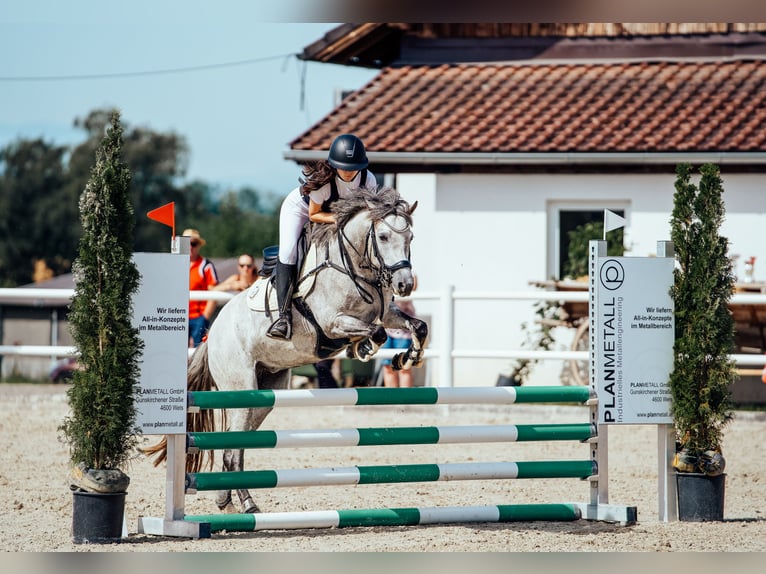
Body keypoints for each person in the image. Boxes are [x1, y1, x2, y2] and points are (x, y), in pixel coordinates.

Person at [267, 133, 377, 340]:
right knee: (289, 252)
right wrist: (341, 219)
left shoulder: (368, 179)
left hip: (337, 215)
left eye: (352, 167)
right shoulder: (323, 183)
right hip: (301, 209)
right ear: (334, 164)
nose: (347, 172)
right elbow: (314, 214)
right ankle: (283, 316)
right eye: (343, 167)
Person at [184, 228, 219, 347]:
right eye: (186, 243)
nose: (190, 247)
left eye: (193, 243)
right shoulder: (174, 264)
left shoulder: (206, 266)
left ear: (198, 245)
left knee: (198, 352)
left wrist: (205, 317)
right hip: (178, 315)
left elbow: (214, 291)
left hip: (198, 317)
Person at [381, 277, 418, 387]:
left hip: (404, 328)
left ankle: (405, 401)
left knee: (404, 367)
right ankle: (391, 400)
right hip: (386, 327)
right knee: (387, 367)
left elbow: (414, 285)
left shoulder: (406, 270)